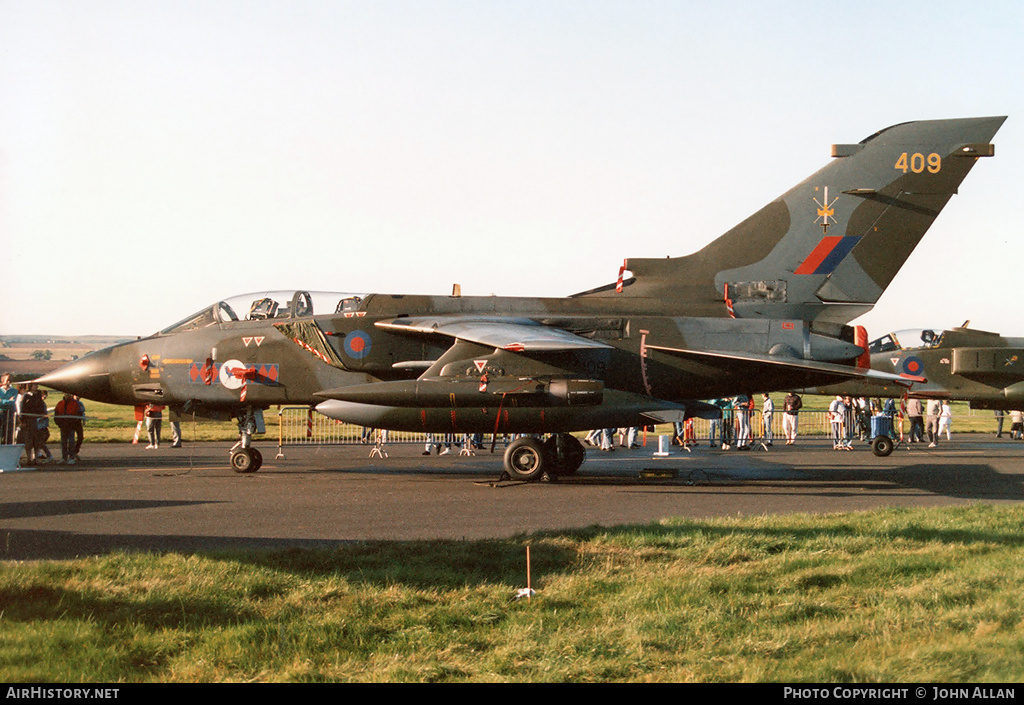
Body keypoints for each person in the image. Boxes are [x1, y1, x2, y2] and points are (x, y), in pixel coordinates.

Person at [55, 393, 85, 464]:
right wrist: (60, 424)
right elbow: (56, 414)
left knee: (71, 442)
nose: (67, 395)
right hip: (63, 426)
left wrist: (73, 424)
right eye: (66, 394)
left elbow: (78, 415)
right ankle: (64, 457)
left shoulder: (75, 404)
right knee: (63, 442)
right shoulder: (60, 403)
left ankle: (71, 457)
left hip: (71, 426)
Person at [0, 373, 16, 445]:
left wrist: (2, 401)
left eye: (10, 380)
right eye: (7, 380)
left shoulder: (14, 391)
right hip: (0, 414)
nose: (9, 382)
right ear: (2, 380)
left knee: (8, 434)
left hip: (9, 414)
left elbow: (12, 402)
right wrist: (8, 401)